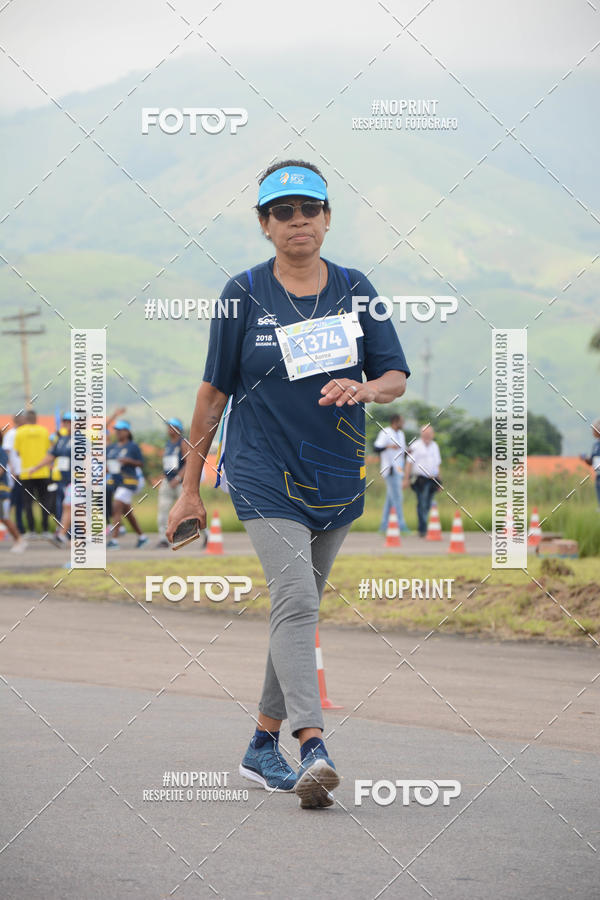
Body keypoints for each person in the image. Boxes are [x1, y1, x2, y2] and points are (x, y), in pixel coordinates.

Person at [166, 159, 410, 809]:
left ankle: (259, 744)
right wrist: (190, 488)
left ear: (327, 218)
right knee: (297, 598)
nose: (297, 220)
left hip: (336, 476)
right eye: (282, 211)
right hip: (260, 469)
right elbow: (212, 395)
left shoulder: (357, 289)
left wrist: (365, 387)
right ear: (264, 225)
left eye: (308, 209)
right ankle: (313, 746)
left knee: (294, 609)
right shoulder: (242, 294)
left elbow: (394, 377)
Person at [26, 413, 72, 545]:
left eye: (69, 421)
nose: (66, 424)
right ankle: (66, 534)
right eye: (65, 421)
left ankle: (68, 534)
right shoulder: (62, 440)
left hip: (77, 480)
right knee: (65, 507)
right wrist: (36, 467)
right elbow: (51, 456)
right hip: (63, 480)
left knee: (70, 506)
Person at [107, 420, 148, 548]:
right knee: (126, 511)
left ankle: (114, 540)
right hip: (115, 482)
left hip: (129, 481)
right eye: (117, 430)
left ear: (127, 431)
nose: (118, 433)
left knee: (116, 505)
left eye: (121, 430)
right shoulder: (112, 448)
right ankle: (142, 537)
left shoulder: (133, 446)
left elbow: (141, 463)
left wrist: (129, 461)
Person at [13, 410, 51, 536]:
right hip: (43, 472)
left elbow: (17, 452)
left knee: (27, 502)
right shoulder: (44, 431)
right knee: (44, 502)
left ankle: (32, 530)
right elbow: (48, 450)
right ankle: (45, 530)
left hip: (26, 473)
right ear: (36, 419)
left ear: (26, 419)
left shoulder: (20, 432)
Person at [156, 418, 191, 548]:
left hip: (180, 482)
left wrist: (178, 478)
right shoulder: (168, 444)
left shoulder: (183, 443)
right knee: (163, 510)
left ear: (178, 429)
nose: (169, 429)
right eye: (168, 427)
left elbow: (189, 462)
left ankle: (205, 533)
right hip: (168, 481)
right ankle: (163, 539)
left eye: (172, 427)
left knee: (187, 511)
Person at [404, 424, 442, 537]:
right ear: (421, 434)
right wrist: (406, 479)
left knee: (429, 503)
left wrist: (439, 481)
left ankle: (426, 527)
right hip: (420, 479)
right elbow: (409, 464)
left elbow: (437, 464)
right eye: (425, 434)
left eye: (429, 434)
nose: (427, 436)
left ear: (432, 434)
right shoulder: (415, 446)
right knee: (422, 502)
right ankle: (423, 529)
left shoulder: (435, 446)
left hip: (433, 479)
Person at [375, 413, 410, 533]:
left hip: (399, 469)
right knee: (398, 498)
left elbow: (402, 450)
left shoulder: (401, 434)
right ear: (395, 421)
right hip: (390, 469)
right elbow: (377, 448)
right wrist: (389, 447)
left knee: (390, 499)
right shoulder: (385, 432)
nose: (403, 423)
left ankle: (383, 526)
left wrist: (408, 451)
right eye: (402, 421)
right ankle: (401, 525)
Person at [0, 430, 27, 552]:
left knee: (4, 517)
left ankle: (19, 539)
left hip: (2, 490)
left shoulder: (1, 452)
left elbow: (1, 470)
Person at [3, 413, 26, 535]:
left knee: (20, 502)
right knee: (11, 501)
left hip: (23, 472)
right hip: (14, 473)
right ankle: (7, 526)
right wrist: (11, 470)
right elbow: (6, 453)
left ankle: (19, 527)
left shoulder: (23, 433)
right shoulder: (11, 434)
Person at [580, 418, 600, 509]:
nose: (592, 432)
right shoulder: (595, 445)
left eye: (594, 429)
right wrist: (585, 459)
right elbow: (592, 461)